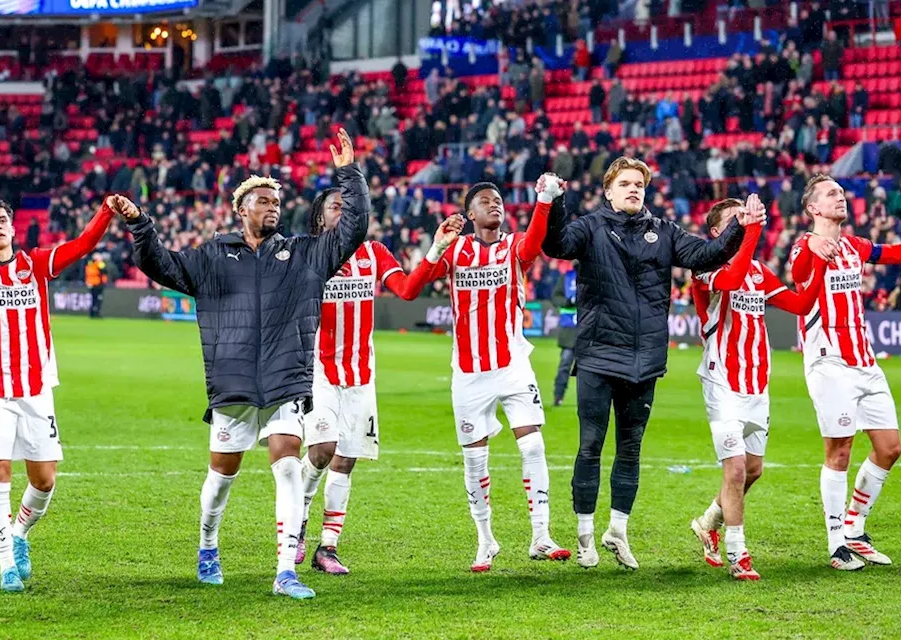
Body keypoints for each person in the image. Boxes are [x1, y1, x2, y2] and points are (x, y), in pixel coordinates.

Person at [127, 129, 368, 600]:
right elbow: (160, 264)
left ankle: (284, 571)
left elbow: (353, 229)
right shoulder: (214, 256)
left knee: (286, 467)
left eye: (276, 200)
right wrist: (141, 225)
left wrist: (348, 173)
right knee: (221, 478)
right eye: (262, 199)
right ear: (242, 209)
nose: (272, 206)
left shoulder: (304, 254)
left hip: (285, 379)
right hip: (233, 381)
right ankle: (208, 545)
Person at [541, 157, 754, 570]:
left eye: (639, 183)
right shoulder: (589, 228)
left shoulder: (665, 232)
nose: (634, 189)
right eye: (625, 183)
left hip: (645, 359)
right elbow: (555, 245)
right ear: (608, 190)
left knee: (631, 450)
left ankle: (617, 532)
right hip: (599, 354)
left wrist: (739, 226)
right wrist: (555, 202)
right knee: (590, 446)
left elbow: (708, 254)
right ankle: (585, 534)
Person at [788, 175, 901, 570]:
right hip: (829, 360)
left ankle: (855, 527)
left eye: (841, 192)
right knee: (839, 451)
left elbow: (896, 253)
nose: (841, 197)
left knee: (890, 448)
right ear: (813, 209)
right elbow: (799, 274)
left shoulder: (854, 245)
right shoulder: (804, 244)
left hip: (864, 360)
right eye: (831, 194)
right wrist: (815, 251)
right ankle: (836, 542)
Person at [0, 193, 115, 592]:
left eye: (2, 220)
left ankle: (19, 535)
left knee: (45, 480)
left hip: (35, 389)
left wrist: (105, 212)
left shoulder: (35, 265)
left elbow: (83, 246)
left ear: (13, 228)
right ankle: (5, 567)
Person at [403, 175, 571, 572]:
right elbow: (410, 291)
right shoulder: (456, 250)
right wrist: (435, 248)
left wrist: (544, 200)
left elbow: (534, 241)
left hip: (513, 363)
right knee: (475, 461)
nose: (494, 204)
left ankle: (541, 535)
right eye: (484, 200)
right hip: (469, 372)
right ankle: (485, 541)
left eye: (497, 199)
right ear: (469, 213)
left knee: (532, 445)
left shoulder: (514, 246)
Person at [296, 187, 437, 575]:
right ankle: (299, 520)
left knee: (345, 460)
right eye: (335, 207)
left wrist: (436, 249)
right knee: (323, 449)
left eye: (350, 207)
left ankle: (327, 547)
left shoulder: (374, 253)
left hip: (361, 375)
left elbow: (407, 291)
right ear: (319, 216)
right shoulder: (309, 253)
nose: (343, 213)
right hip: (319, 370)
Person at [687, 197, 828, 580]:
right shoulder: (705, 267)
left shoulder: (760, 273)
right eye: (736, 221)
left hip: (756, 384)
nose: (745, 223)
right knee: (734, 471)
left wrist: (819, 260)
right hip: (722, 382)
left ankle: (707, 522)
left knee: (753, 470)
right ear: (718, 233)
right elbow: (731, 281)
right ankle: (738, 554)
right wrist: (752, 230)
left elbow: (801, 305)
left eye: (746, 218)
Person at [551, 264, 577, 406]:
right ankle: (558, 396)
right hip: (570, 332)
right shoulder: (566, 277)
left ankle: (592, 399)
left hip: (590, 331)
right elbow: (556, 298)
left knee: (593, 370)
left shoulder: (595, 275)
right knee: (565, 365)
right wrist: (569, 301)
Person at [85, 251, 108, 318]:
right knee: (98, 299)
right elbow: (105, 270)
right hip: (98, 284)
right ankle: (96, 313)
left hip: (91, 284)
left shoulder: (90, 264)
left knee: (94, 299)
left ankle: (92, 313)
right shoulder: (98, 264)